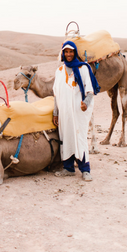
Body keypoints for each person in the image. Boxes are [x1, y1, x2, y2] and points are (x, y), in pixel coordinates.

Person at [52, 40, 99, 182]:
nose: (68, 54)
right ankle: (68, 168)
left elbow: (90, 91)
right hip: (64, 113)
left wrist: (86, 103)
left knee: (80, 138)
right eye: (66, 52)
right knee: (66, 137)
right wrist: (56, 112)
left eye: (71, 51)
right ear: (63, 53)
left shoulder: (83, 68)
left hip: (79, 112)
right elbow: (56, 93)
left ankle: (85, 169)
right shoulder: (59, 71)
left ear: (75, 52)